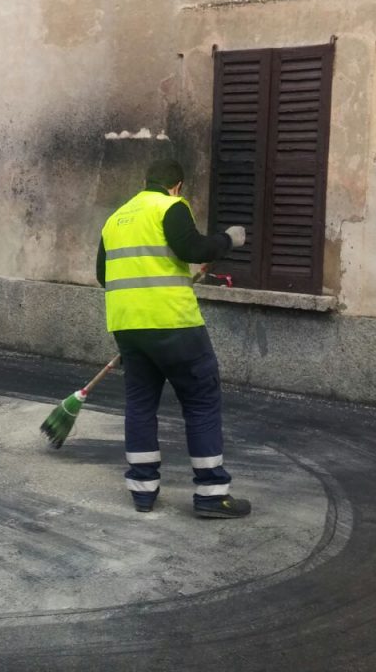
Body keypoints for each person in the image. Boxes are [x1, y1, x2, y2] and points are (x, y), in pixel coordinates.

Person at [95, 159, 250, 518]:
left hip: (128, 327)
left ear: (144, 181)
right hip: (174, 324)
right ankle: (212, 495)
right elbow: (192, 250)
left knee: (140, 405)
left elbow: (103, 273)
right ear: (177, 186)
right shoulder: (170, 206)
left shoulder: (115, 219)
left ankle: (143, 490)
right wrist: (227, 240)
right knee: (201, 401)